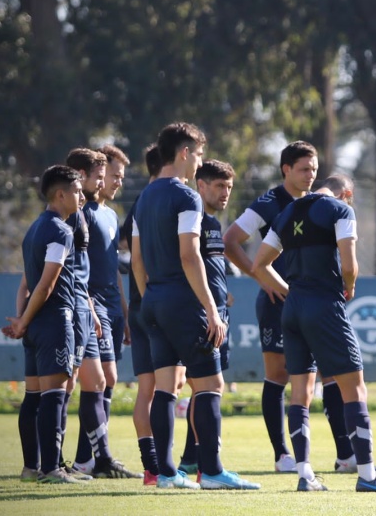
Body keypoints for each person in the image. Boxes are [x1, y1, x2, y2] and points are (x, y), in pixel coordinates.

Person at [252, 174, 376, 493]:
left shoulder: (286, 213)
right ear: (346, 193)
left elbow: (259, 265)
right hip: (324, 304)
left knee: (300, 394)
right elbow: (349, 266)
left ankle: (305, 475)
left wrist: (288, 291)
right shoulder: (339, 210)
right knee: (355, 389)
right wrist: (348, 287)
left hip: (292, 308)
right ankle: (367, 476)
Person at [131, 122, 258, 490]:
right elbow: (190, 255)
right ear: (184, 152)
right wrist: (212, 310)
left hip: (152, 301)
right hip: (183, 303)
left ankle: (167, 474)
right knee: (211, 384)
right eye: (199, 153)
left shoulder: (144, 197)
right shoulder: (185, 197)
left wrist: (151, 296)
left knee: (166, 388)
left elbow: (137, 260)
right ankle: (213, 471)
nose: (200, 160)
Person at [224, 141, 360, 474]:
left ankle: (346, 454)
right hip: (279, 303)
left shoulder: (322, 205)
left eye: (314, 169)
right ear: (286, 169)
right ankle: (282, 455)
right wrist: (264, 282)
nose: (310, 175)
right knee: (280, 376)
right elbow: (230, 241)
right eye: (303, 169)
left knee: (331, 374)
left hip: (315, 302)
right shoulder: (271, 204)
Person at [5, 165, 85, 484]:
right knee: (55, 394)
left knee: (33, 396)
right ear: (60, 194)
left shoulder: (34, 228)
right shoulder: (61, 231)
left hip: (35, 325)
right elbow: (45, 285)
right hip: (53, 321)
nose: (81, 197)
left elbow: (27, 282)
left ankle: (30, 468)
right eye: (77, 191)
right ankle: (51, 469)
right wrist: (24, 319)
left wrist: (23, 319)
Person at [72, 144, 140, 478]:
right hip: (89, 305)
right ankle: (94, 458)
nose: (115, 183)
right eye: (112, 175)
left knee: (106, 381)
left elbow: (113, 268)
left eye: (119, 178)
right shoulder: (78, 212)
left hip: (112, 307)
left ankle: (89, 458)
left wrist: (124, 312)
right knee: (99, 379)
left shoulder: (111, 216)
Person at [58, 148, 115, 482]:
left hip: (86, 306)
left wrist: (91, 308)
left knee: (96, 381)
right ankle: (47, 462)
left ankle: (98, 459)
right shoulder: (66, 218)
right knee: (61, 387)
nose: (105, 182)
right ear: (78, 175)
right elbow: (58, 269)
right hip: (70, 308)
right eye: (97, 177)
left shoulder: (84, 214)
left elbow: (82, 269)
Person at [177, 159, 236, 477]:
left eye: (229, 187)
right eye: (219, 186)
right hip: (202, 315)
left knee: (208, 388)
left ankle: (191, 458)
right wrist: (209, 305)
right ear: (201, 185)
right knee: (206, 387)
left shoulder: (212, 223)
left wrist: (222, 294)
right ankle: (196, 460)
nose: (225, 193)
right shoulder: (192, 219)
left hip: (219, 314)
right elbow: (187, 262)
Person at [122, 143, 165, 485]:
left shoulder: (139, 203)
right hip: (156, 303)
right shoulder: (161, 200)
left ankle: (153, 467)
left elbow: (128, 249)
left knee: (149, 389)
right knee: (167, 387)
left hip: (139, 305)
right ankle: (164, 466)